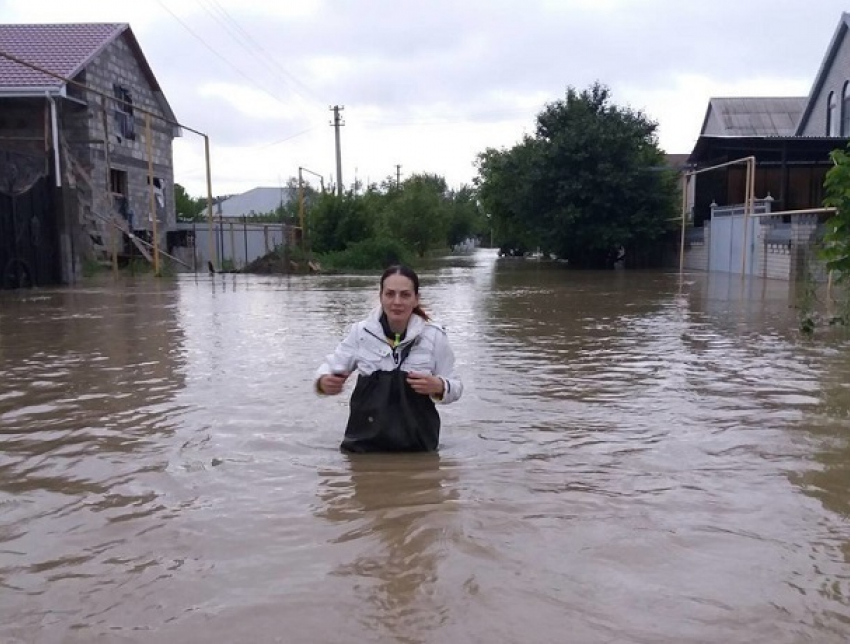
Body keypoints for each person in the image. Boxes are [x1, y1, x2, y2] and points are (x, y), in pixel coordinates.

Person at [314, 265, 463, 453]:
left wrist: (439, 386)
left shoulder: (434, 336)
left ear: (416, 299)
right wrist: (324, 382)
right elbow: (329, 367)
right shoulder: (360, 333)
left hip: (418, 452)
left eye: (405, 295)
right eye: (390, 294)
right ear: (381, 297)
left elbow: (456, 386)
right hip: (362, 450)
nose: (397, 302)